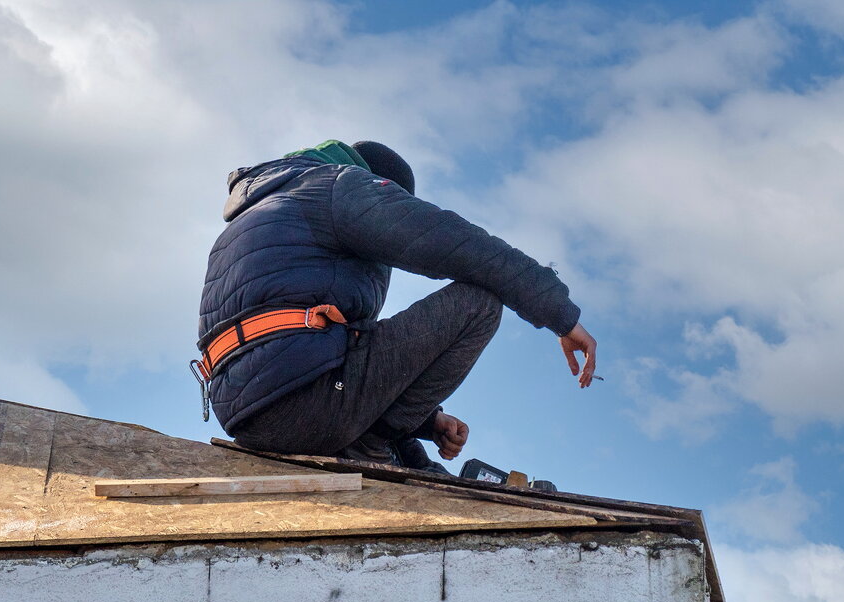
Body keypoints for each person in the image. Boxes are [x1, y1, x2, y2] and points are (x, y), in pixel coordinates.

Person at [195, 140, 596, 468]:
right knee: (478, 303)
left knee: (354, 338)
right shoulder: (341, 187)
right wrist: (559, 314)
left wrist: (428, 422)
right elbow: (457, 245)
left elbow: (322, 348)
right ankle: (373, 446)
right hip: (303, 397)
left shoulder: (262, 210)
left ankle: (391, 450)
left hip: (246, 411)